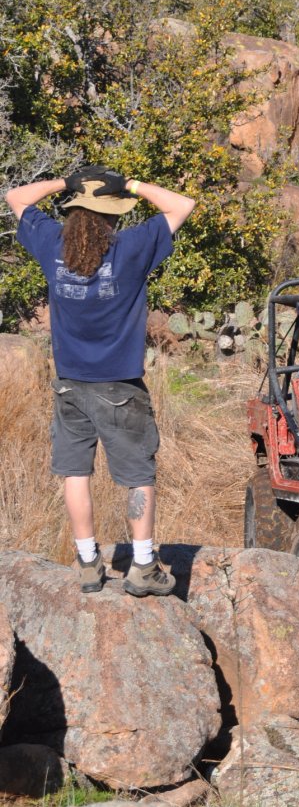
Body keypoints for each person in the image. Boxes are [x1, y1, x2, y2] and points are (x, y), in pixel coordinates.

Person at [5, 167, 196, 596]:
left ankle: (88, 562)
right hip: (120, 386)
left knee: (76, 474)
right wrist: (129, 184)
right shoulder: (129, 248)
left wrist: (65, 182)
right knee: (136, 477)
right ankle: (143, 566)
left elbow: (16, 197)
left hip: (70, 383)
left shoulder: (53, 245)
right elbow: (182, 205)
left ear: (72, 214)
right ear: (112, 217)